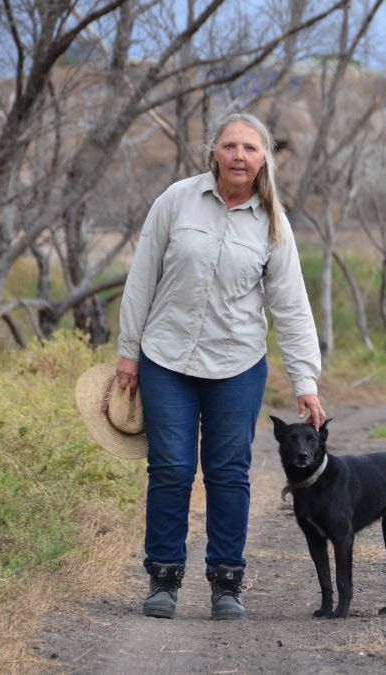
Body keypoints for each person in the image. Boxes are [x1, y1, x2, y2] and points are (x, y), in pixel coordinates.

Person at [113, 112, 325, 621]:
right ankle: (163, 577)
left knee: (229, 473)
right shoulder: (176, 200)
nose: (238, 155)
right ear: (213, 152)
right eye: (229, 145)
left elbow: (291, 305)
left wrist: (306, 381)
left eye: (250, 148)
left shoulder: (273, 222)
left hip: (236, 364)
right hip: (167, 359)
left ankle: (226, 583)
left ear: (263, 159)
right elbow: (142, 277)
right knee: (172, 469)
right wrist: (128, 352)